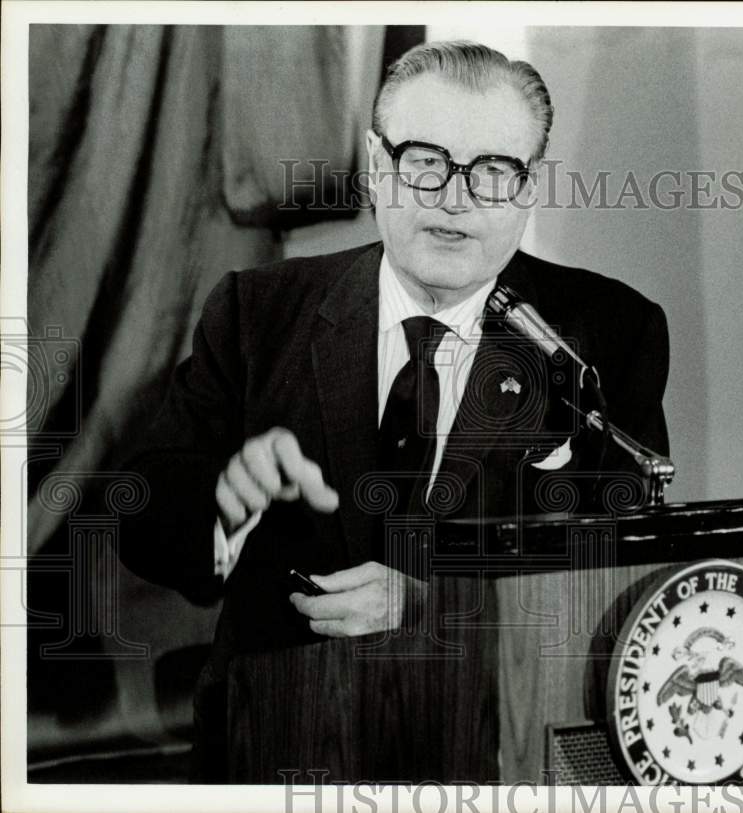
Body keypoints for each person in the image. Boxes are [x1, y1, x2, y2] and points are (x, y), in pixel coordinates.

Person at [119, 40, 669, 780]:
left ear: (529, 187)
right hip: (281, 750)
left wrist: (430, 601)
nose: (456, 198)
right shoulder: (257, 314)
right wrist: (221, 503)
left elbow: (625, 572)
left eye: (494, 172)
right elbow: (139, 516)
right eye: (426, 163)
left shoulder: (608, 331)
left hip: (504, 756)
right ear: (379, 167)